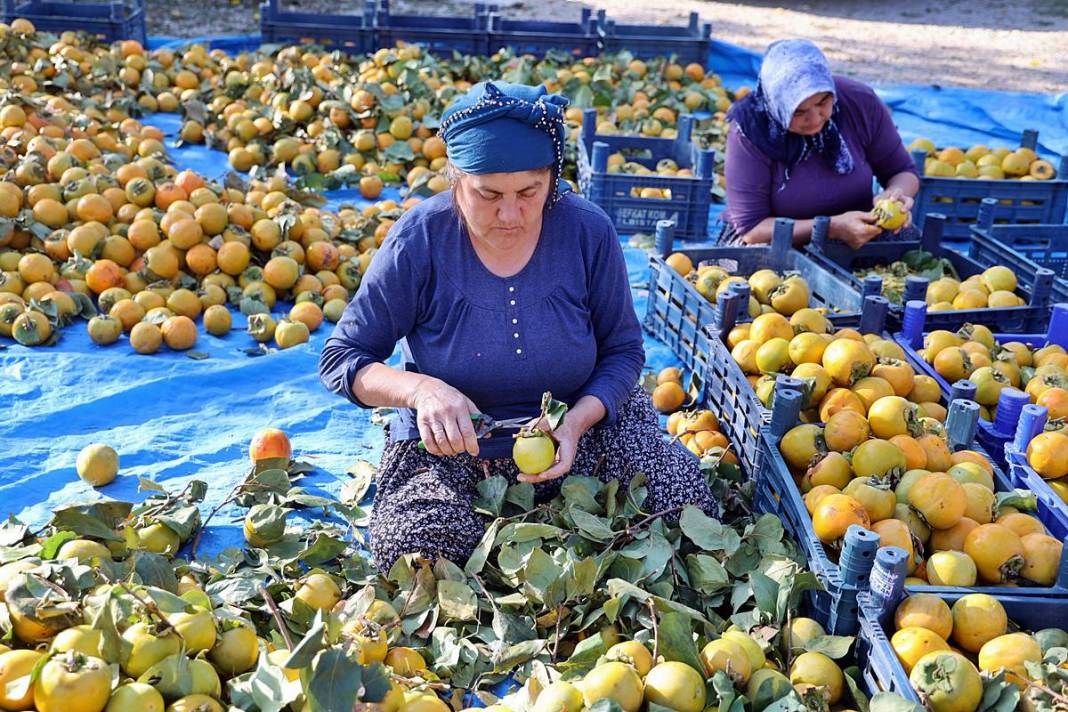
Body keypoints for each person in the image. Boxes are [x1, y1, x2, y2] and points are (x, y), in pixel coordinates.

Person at [319, 81, 717, 571]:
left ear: (551, 180)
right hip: (452, 449)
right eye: (488, 194)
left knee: (684, 503)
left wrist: (577, 422)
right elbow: (342, 359)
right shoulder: (420, 239)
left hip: (584, 435)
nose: (511, 214)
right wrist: (421, 391)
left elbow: (624, 353)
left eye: (529, 191)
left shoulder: (586, 231)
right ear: (455, 179)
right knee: (414, 551)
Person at [721, 39, 919, 247]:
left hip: (857, 231)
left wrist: (894, 195)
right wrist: (831, 228)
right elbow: (753, 230)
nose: (815, 119)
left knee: (909, 254)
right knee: (774, 277)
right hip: (778, 240)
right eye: (799, 112)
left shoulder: (859, 102)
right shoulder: (751, 129)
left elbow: (903, 171)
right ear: (778, 106)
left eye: (822, 102)